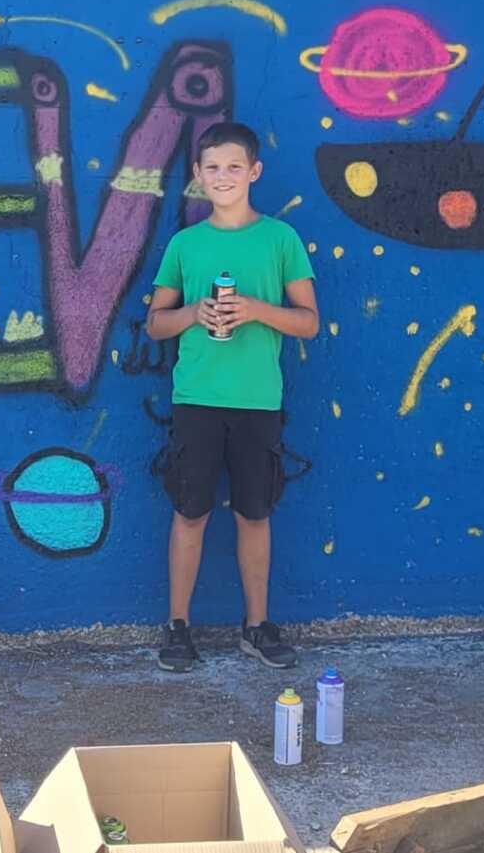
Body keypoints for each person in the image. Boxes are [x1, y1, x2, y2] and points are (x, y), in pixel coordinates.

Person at [143, 121, 321, 673]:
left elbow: (309, 322)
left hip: (257, 401)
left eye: (234, 167)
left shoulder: (280, 240)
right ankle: (178, 626)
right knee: (189, 513)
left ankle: (256, 626)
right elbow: (155, 323)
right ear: (198, 174)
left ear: (254, 172)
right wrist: (194, 312)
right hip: (196, 399)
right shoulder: (185, 244)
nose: (223, 177)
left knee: (254, 514)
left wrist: (256, 310)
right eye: (213, 168)